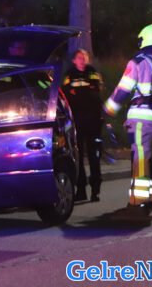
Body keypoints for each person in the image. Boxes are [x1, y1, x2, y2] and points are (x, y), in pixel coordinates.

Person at [104, 24, 152, 217]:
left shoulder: (137, 63)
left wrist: (107, 110)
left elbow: (123, 91)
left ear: (145, 40)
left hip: (140, 121)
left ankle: (138, 203)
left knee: (141, 158)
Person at [62, 49, 104, 202]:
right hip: (77, 121)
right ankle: (80, 190)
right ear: (74, 60)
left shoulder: (92, 72)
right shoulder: (69, 74)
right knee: (78, 157)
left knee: (94, 156)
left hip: (93, 120)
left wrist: (78, 93)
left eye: (84, 57)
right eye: (79, 58)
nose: (82, 60)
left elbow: (96, 90)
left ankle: (95, 190)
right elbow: (66, 93)